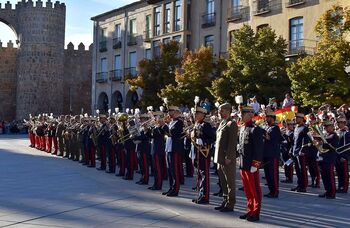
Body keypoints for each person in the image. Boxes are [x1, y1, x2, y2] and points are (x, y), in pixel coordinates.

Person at [238, 106, 264, 222]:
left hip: (251, 165)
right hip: (243, 163)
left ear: (249, 115)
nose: (241, 116)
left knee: (254, 189)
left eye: (243, 114)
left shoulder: (255, 129)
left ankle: (255, 212)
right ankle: (249, 210)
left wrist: (256, 164)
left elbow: (259, 149)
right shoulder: (242, 128)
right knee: (248, 190)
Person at [213, 103, 238, 212]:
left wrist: (229, 157)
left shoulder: (231, 124)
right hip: (219, 157)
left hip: (227, 158)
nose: (219, 112)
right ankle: (225, 200)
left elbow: (232, 143)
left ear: (228, 111)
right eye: (219, 110)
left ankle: (230, 203)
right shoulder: (222, 123)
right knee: (223, 181)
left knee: (229, 182)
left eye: (221, 110)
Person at [191, 107, 215, 204]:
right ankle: (200, 194)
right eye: (195, 113)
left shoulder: (206, 125)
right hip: (197, 152)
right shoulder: (197, 124)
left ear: (203, 115)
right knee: (200, 174)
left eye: (197, 114)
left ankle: (205, 196)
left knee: (204, 175)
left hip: (204, 153)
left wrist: (204, 141)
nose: (195, 115)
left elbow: (213, 138)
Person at [162, 105, 184, 197]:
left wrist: (164, 125)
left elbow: (172, 134)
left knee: (174, 170)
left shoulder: (179, 122)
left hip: (175, 149)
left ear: (175, 112)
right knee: (169, 170)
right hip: (169, 148)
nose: (168, 113)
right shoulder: (171, 122)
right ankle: (171, 188)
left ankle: (176, 189)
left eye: (170, 111)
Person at [316, 120, 338, 199]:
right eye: (325, 127)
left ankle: (332, 192)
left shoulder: (334, 136)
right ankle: (327, 190)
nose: (325, 128)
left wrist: (322, 143)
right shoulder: (324, 135)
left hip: (329, 159)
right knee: (324, 176)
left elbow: (333, 147)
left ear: (332, 127)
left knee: (330, 176)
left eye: (327, 127)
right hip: (322, 158)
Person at [262, 111, 281, 198]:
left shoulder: (275, 128)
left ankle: (275, 191)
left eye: (267, 117)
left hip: (273, 155)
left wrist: (262, 131)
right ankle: (271, 191)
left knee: (273, 174)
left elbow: (269, 138)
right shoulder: (267, 127)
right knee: (267, 175)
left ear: (272, 118)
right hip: (266, 154)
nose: (266, 119)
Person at [291, 113, 309, 193]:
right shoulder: (296, 128)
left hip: (301, 152)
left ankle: (303, 186)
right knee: (297, 170)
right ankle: (299, 184)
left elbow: (306, 140)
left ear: (302, 119)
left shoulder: (305, 128)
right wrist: (292, 150)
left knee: (302, 170)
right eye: (295, 117)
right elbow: (294, 140)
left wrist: (303, 150)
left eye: (297, 118)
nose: (295, 119)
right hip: (295, 151)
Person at [335, 117, 350, 193]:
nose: (338, 124)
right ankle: (340, 186)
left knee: (344, 173)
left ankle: (344, 188)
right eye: (338, 123)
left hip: (343, 156)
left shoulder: (347, 133)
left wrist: (344, 156)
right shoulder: (337, 132)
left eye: (340, 123)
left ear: (344, 124)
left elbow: (348, 146)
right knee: (339, 172)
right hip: (337, 155)